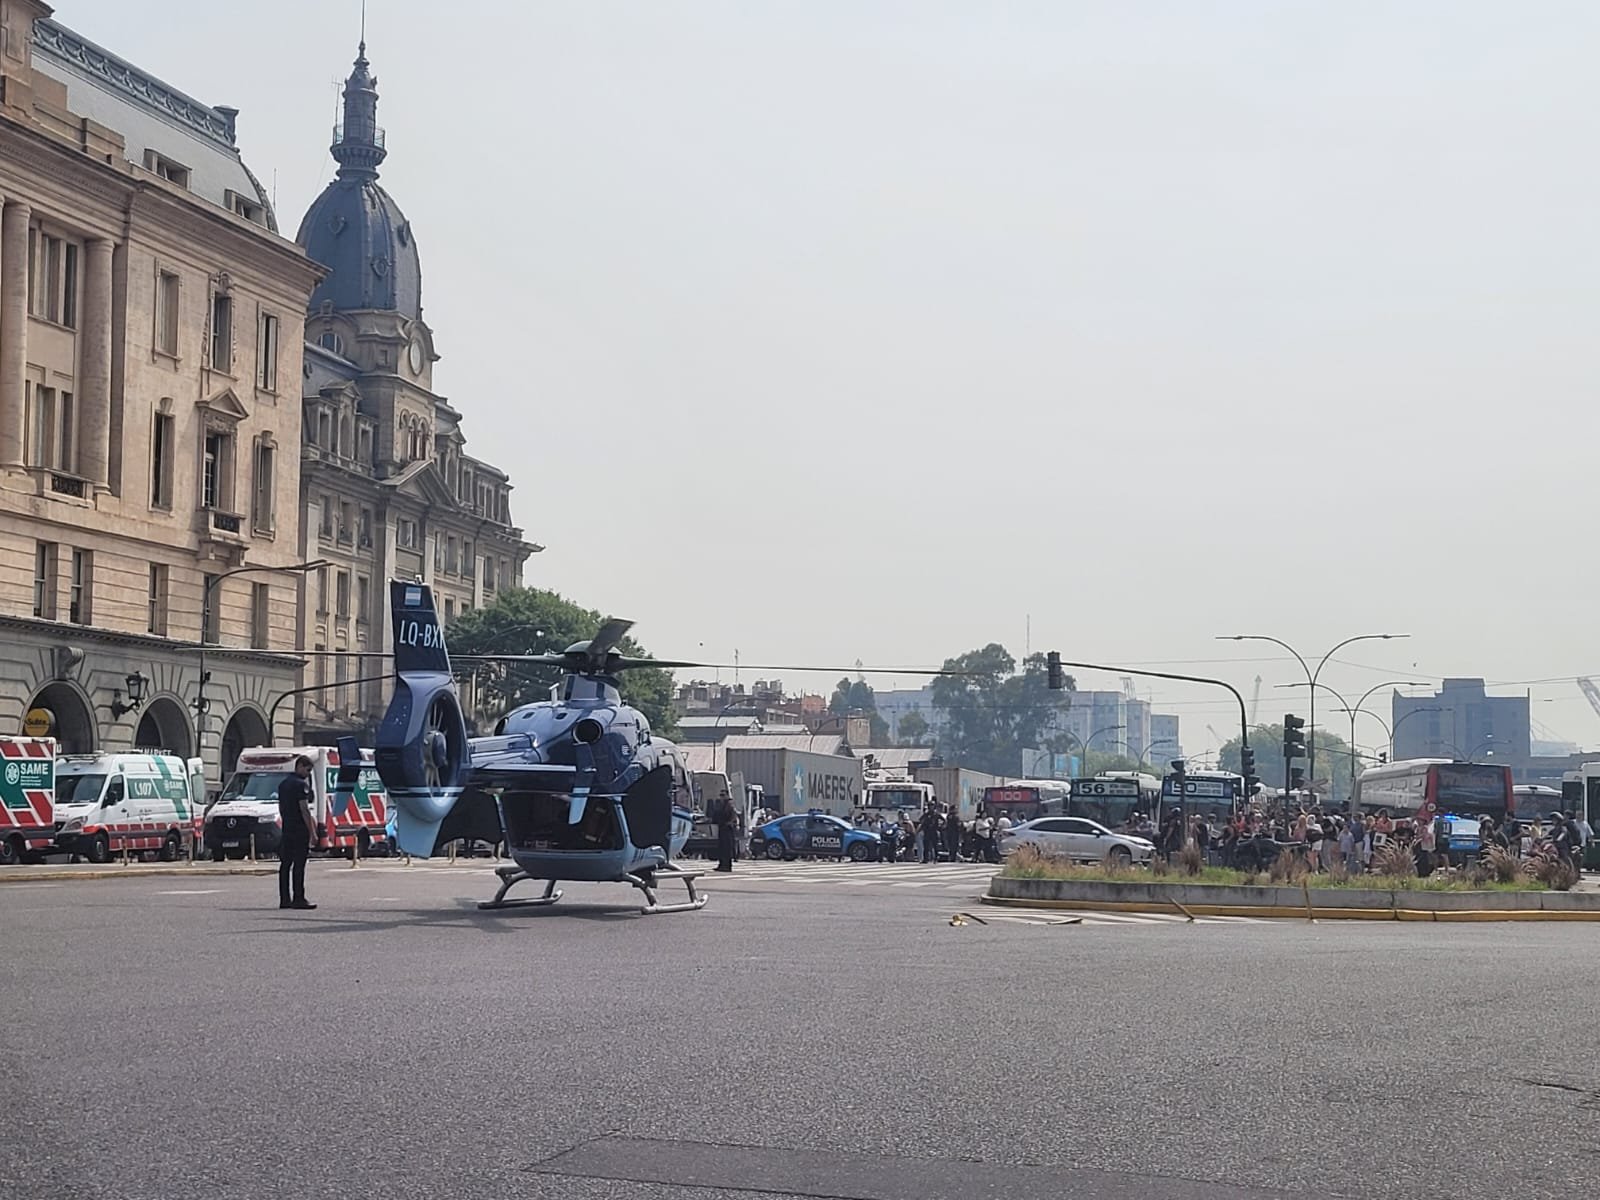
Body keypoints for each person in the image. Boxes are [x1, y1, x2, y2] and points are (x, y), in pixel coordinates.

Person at [277, 755, 317, 910]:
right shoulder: (301, 785)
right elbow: (304, 810)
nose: (308, 774)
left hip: (287, 828)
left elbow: (281, 807)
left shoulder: (283, 784)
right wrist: (312, 832)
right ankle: (298, 898)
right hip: (299, 829)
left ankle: (284, 899)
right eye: (307, 770)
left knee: (285, 864)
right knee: (299, 864)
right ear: (299, 766)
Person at [711, 789, 736, 872]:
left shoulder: (729, 804)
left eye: (723, 795)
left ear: (727, 796)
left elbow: (733, 816)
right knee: (721, 847)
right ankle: (721, 864)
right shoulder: (721, 805)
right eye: (720, 795)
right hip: (722, 828)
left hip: (727, 829)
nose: (721, 797)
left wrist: (729, 823)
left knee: (727, 848)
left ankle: (727, 866)